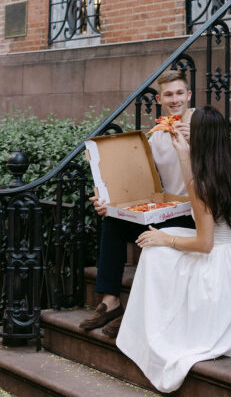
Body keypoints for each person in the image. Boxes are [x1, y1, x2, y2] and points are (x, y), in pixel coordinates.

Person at [115, 105, 231, 393]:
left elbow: (204, 243)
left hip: (219, 261)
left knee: (154, 249)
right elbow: (202, 190)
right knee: (163, 234)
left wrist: (166, 240)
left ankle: (150, 330)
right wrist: (183, 155)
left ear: (199, 138)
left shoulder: (202, 184)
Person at [79, 68, 196, 337]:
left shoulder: (201, 124)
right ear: (159, 100)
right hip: (167, 209)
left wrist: (197, 140)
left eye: (180, 93)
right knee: (113, 222)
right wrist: (109, 200)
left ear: (189, 95)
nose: (175, 99)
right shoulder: (157, 135)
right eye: (168, 94)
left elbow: (219, 165)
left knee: (153, 240)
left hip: (194, 212)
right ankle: (111, 301)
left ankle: (138, 314)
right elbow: (142, 180)